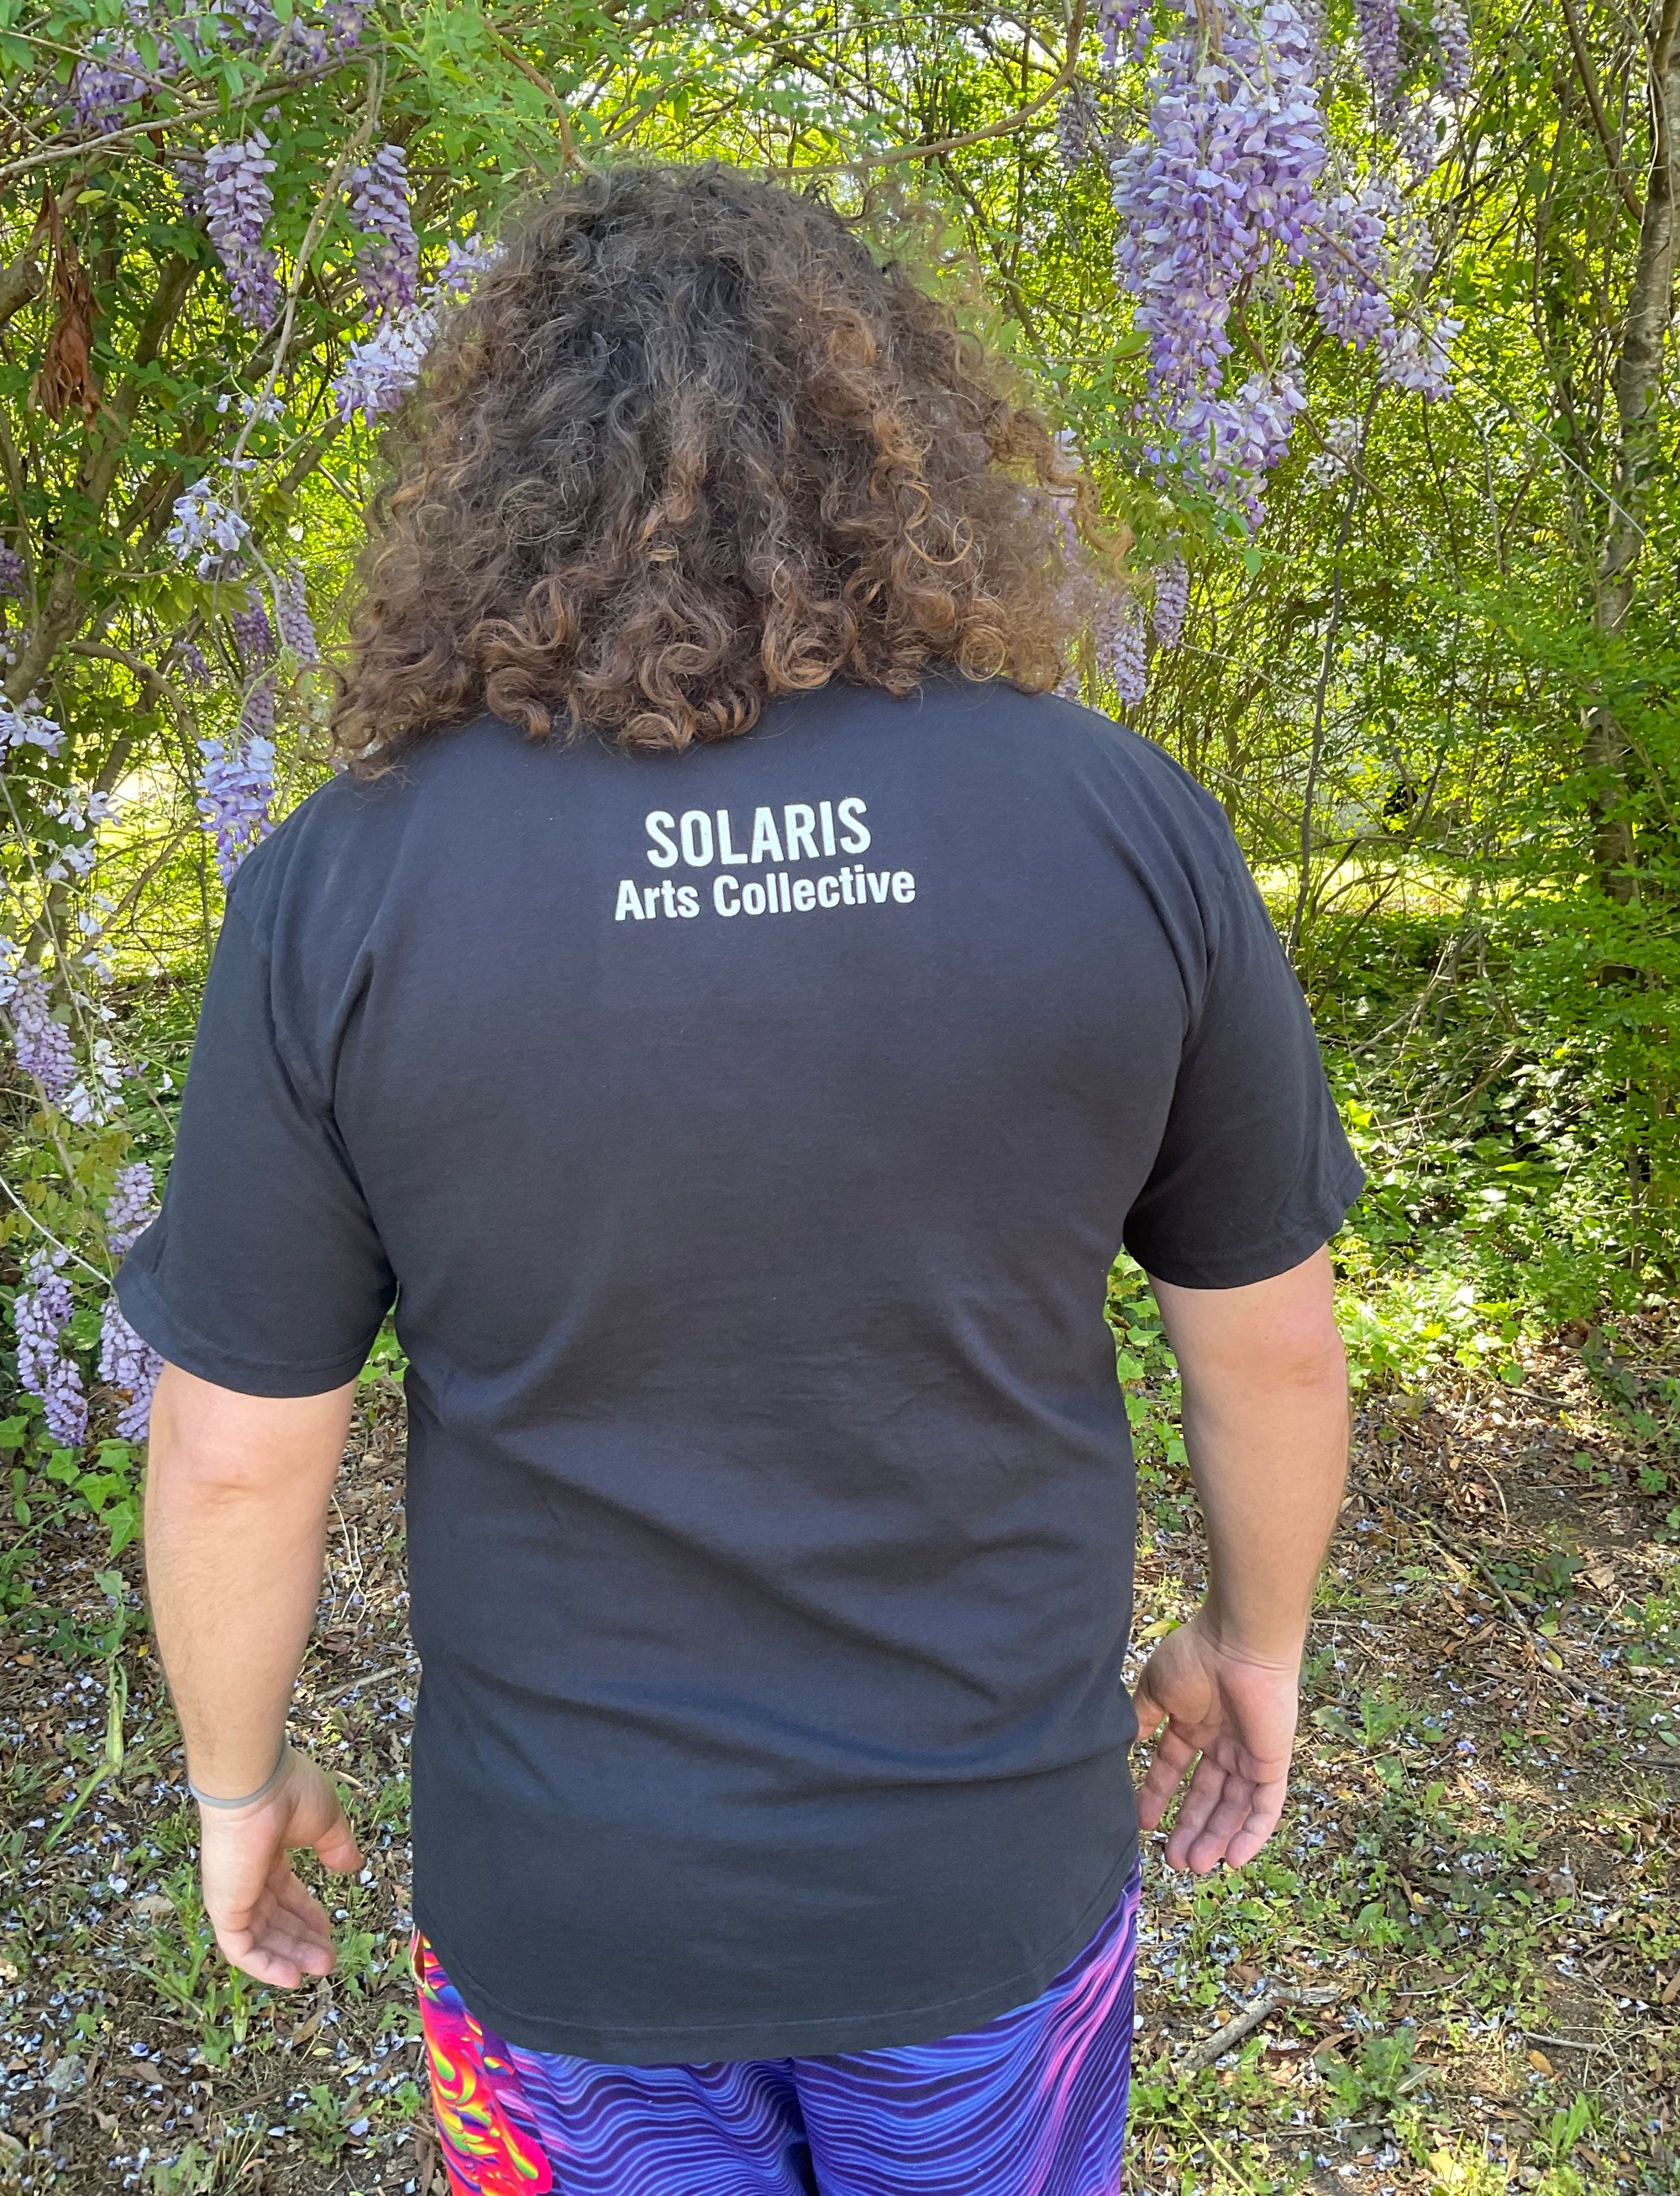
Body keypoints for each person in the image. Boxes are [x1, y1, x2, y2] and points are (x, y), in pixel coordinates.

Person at [121, 160, 1360, 2196]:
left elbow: (237, 1452)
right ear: (900, 444)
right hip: (980, 1877)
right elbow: (1273, 1341)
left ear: (502, 468)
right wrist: (1257, 1641)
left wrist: (233, 1782)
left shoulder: (346, 883)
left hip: (568, 1902)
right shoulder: (1116, 821)